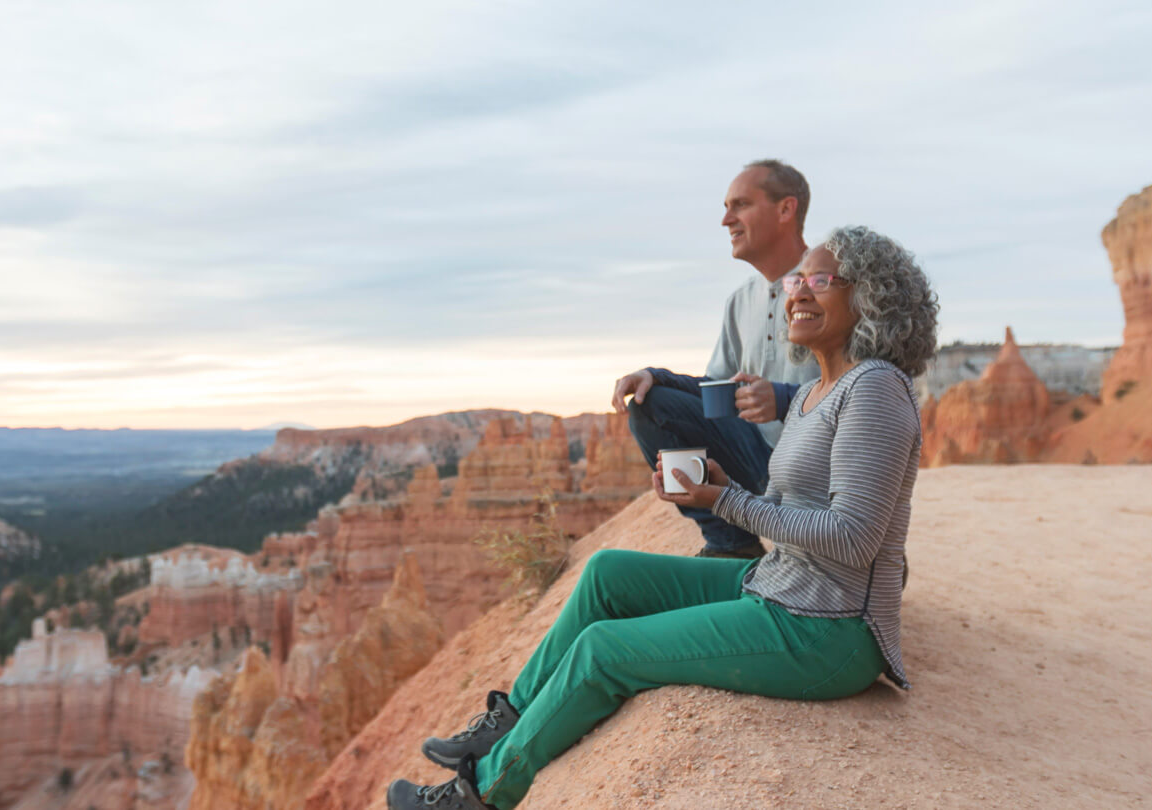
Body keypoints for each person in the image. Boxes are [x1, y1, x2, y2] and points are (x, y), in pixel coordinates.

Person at [384, 226, 939, 810]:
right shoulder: (811, 394)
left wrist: (725, 504)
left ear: (870, 297)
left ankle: (481, 794)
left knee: (605, 650)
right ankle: (511, 717)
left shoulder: (875, 389)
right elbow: (792, 511)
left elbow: (853, 538)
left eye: (820, 280)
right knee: (608, 574)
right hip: (781, 587)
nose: (799, 292)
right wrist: (720, 488)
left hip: (831, 631)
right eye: (798, 279)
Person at [612, 159, 820, 559]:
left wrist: (782, 397)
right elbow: (717, 395)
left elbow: (866, 392)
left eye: (740, 205)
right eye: (727, 207)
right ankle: (732, 546)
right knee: (650, 405)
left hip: (818, 473)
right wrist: (654, 376)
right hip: (757, 462)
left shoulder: (829, 289)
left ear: (785, 210)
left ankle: (858, 553)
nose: (726, 220)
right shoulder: (741, 301)